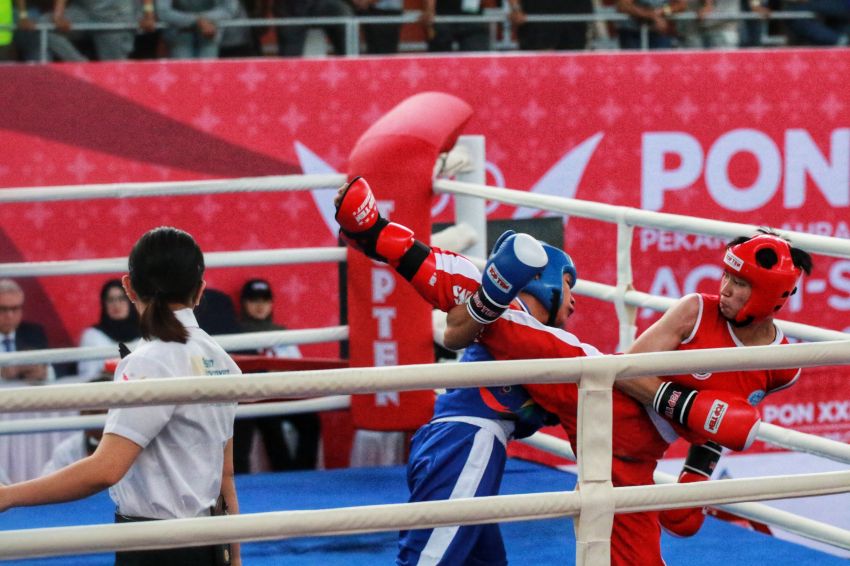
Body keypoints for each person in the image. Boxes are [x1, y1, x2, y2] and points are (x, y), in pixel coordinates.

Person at [335, 177, 813, 565]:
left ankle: (463, 283)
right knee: (511, 327)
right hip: (605, 404)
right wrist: (685, 405)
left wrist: (697, 474)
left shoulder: (781, 365)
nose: (726, 290)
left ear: (774, 296)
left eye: (740, 285)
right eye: (726, 277)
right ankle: (379, 233)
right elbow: (625, 371)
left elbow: (727, 417)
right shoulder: (695, 311)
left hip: (631, 463)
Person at [0, 227, 241, 566]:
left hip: (155, 548)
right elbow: (225, 478)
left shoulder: (148, 361)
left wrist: (9, 495)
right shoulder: (222, 361)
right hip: (207, 544)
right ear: (200, 291)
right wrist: (234, 558)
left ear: (128, 286)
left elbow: (106, 469)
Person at [397, 239, 584, 566]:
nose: (574, 301)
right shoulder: (508, 318)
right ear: (544, 280)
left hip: (457, 440)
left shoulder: (519, 331)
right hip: (467, 441)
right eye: (568, 285)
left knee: (484, 562)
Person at [233, 278, 321, 473]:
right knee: (270, 423)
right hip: (256, 398)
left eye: (264, 300)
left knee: (310, 420)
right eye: (254, 300)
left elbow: (297, 368)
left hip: (285, 394)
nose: (259, 306)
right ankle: (285, 474)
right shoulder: (236, 334)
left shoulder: (282, 334)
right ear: (244, 303)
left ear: (271, 304)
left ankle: (303, 474)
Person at [77, 279, 141, 381]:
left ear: (130, 301)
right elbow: (87, 377)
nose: (116, 304)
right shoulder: (92, 336)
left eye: (122, 298)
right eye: (110, 300)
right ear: (104, 304)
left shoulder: (145, 334)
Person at [0, 278, 50, 384]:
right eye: (2, 309)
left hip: (27, 397)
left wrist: (43, 372)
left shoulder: (34, 333)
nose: (9, 315)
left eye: (15, 308)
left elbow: (57, 370)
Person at [156, 0, 238, 58]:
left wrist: (202, 19)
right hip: (179, 31)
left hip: (210, 31)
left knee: (207, 72)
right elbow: (163, 11)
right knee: (183, 72)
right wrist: (197, 20)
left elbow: (228, 10)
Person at [271, 0, 353, 57]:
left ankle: (353, 68)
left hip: (321, 3)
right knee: (290, 57)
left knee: (342, 12)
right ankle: (289, 78)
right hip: (290, 7)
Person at [508, 0, 594, 51]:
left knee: (576, 65)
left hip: (576, 18)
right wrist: (516, 8)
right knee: (540, 67)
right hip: (536, 18)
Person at [421, 0, 490, 52]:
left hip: (472, 18)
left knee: (476, 50)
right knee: (440, 46)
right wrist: (429, 9)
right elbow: (429, 14)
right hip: (442, 17)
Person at [615, 0, 686, 49]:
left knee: (662, 65)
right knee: (634, 67)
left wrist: (662, 11)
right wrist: (653, 16)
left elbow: (681, 5)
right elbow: (623, 6)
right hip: (633, 32)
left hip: (660, 32)